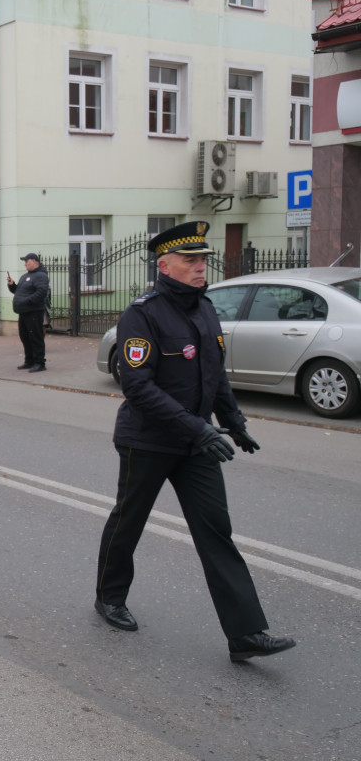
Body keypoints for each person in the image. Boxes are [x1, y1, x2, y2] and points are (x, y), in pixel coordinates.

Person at [94, 221, 296, 663]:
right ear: (164, 265)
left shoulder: (204, 309)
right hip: (147, 441)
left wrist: (234, 421)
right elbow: (139, 388)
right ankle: (109, 597)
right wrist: (199, 428)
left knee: (215, 532)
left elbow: (213, 373)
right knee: (129, 520)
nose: (201, 267)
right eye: (190, 260)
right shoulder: (142, 314)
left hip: (194, 444)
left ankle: (245, 633)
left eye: (203, 259)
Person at [7, 253, 49, 373]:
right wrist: (12, 285)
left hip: (34, 312)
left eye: (27, 261)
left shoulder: (41, 276)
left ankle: (40, 363)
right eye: (24, 262)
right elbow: (19, 291)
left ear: (35, 261)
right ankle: (29, 361)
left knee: (35, 337)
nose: (25, 264)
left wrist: (27, 301)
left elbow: (41, 292)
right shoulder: (25, 276)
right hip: (24, 312)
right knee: (25, 337)